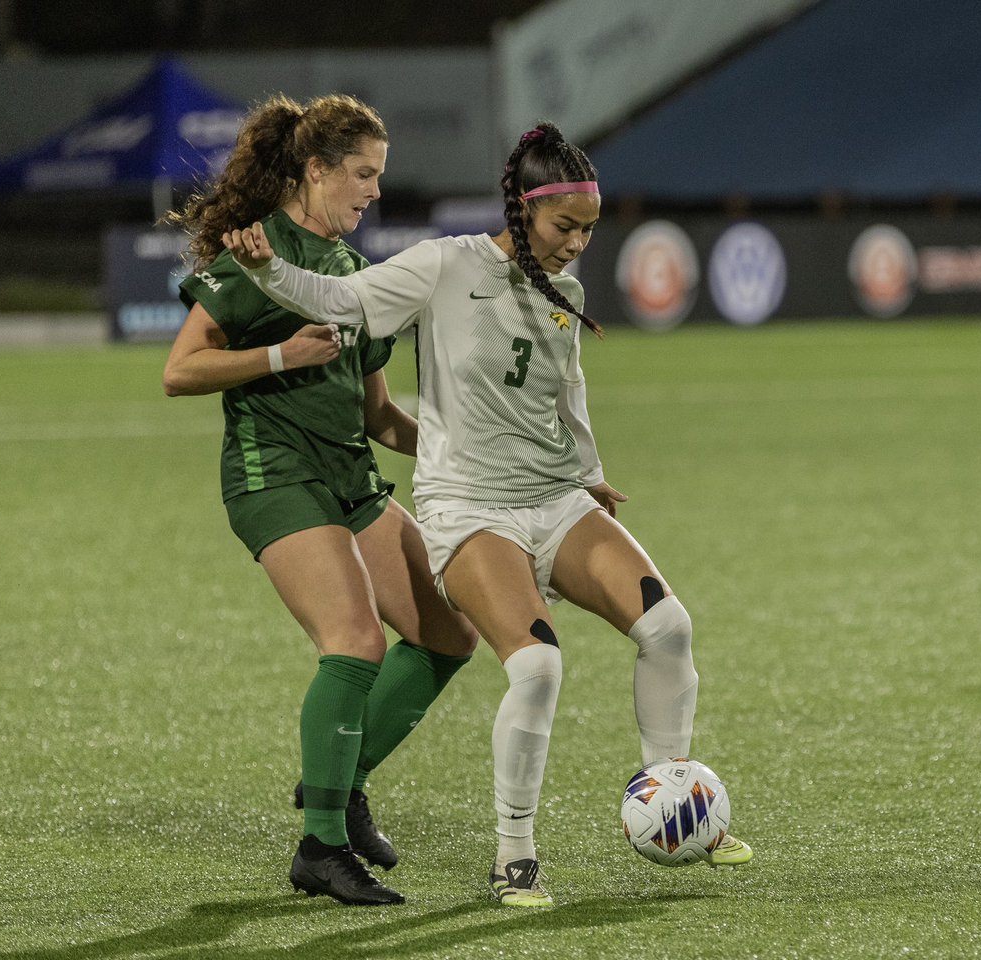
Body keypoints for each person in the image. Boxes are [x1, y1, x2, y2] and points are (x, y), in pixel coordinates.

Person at [221, 121, 753, 908]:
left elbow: (566, 396)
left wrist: (591, 477)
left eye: (588, 230)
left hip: (555, 498)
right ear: (522, 210)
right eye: (563, 226)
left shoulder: (562, 293)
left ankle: (675, 802)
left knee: (669, 627)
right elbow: (341, 299)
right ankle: (515, 856)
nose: (575, 244)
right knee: (537, 665)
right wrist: (269, 273)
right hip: (470, 510)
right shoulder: (444, 267)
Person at [162, 93, 478, 907]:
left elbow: (376, 415)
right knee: (355, 641)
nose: (374, 192)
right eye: (363, 175)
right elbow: (180, 371)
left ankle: (340, 782)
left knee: (448, 630)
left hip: (347, 477)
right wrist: (275, 357)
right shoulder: (253, 254)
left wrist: (466, 447)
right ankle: (321, 848)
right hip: (275, 475)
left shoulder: (350, 273)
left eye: (379, 176)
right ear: (316, 169)